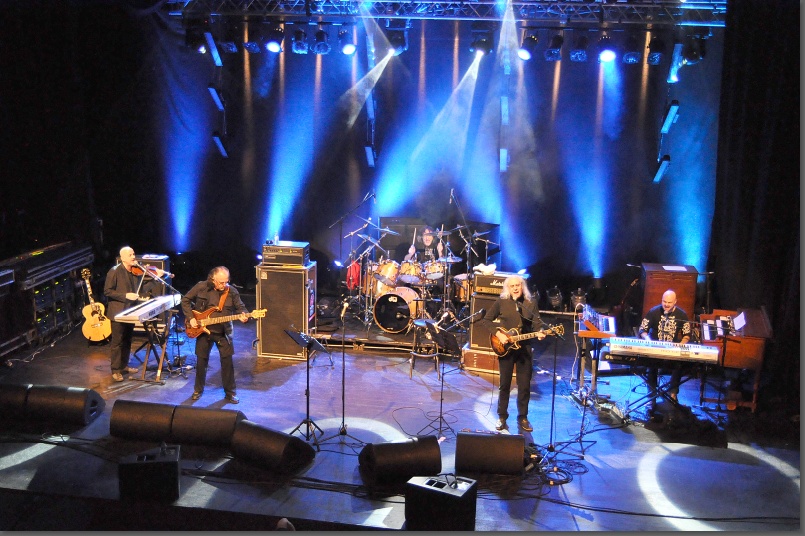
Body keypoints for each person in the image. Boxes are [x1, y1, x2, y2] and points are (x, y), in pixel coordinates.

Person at [480, 274, 545, 432]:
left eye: (518, 285)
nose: (515, 288)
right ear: (507, 288)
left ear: (523, 286)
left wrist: (541, 332)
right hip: (506, 349)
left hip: (524, 349)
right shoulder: (501, 301)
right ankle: (502, 416)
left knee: (524, 385)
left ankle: (523, 417)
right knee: (505, 384)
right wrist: (498, 334)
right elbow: (486, 320)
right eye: (512, 286)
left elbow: (537, 324)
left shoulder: (530, 303)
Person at [181, 266, 249, 404]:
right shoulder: (201, 287)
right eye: (221, 282)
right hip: (203, 331)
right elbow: (185, 300)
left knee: (227, 363)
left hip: (223, 332)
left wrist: (245, 315)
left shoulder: (231, 291)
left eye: (226, 282)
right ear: (213, 279)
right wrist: (191, 318)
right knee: (201, 362)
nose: (224, 285)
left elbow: (241, 307)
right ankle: (198, 390)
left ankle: (230, 393)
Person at [103, 246, 168, 382]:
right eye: (130, 255)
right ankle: (116, 370)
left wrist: (156, 279)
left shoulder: (133, 272)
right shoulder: (114, 271)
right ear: (123, 258)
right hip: (118, 312)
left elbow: (141, 289)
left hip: (130, 311)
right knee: (117, 342)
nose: (134, 257)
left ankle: (124, 365)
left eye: (133, 254)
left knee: (127, 340)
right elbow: (107, 291)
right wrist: (125, 295)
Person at [638, 289, 691, 406]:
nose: (666, 304)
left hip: (672, 350)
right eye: (664, 301)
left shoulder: (682, 315)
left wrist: (681, 345)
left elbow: (687, 334)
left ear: (675, 302)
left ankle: (673, 394)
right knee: (651, 366)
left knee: (679, 365)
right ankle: (651, 396)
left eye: (669, 302)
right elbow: (642, 329)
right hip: (654, 348)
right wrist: (648, 340)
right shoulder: (654, 312)